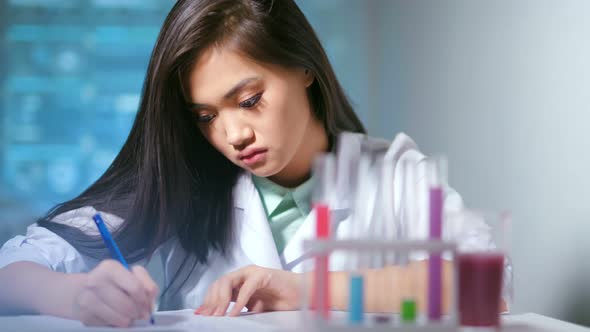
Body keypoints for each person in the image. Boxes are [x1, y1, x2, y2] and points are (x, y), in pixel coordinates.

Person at [0, 0, 508, 327]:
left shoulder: (396, 172)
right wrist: (76, 295)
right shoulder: (189, 177)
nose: (232, 135)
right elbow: (11, 271)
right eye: (204, 116)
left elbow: (485, 286)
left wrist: (302, 291)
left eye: (248, 100)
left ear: (303, 67)